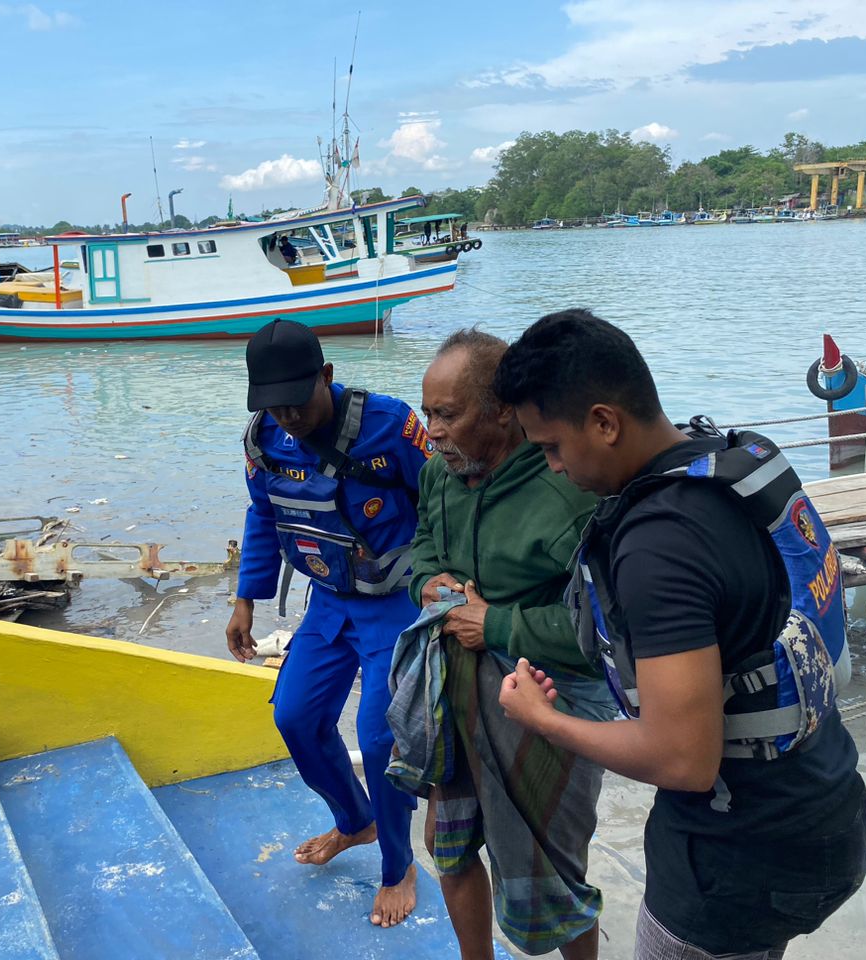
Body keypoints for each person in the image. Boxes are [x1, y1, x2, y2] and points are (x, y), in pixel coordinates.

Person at [493, 309, 866, 959]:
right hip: (829, 806)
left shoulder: (659, 548)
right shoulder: (731, 461)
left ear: (605, 422)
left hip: (733, 863)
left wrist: (544, 719)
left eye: (551, 446)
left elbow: (681, 760)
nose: (552, 467)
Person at [408, 328, 611, 960]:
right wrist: (429, 585)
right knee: (451, 842)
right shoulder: (441, 476)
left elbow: (606, 636)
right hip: (459, 690)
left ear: (502, 411)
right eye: (427, 413)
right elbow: (422, 551)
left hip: (555, 701)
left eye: (448, 414)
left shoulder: (566, 494)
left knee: (555, 871)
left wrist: (492, 624)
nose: (433, 431)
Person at [226, 319, 431, 928]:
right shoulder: (264, 439)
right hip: (328, 602)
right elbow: (263, 515)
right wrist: (246, 599)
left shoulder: (390, 425)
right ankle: (355, 822)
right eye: (273, 403)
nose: (287, 414)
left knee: (379, 739)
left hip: (397, 602)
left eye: (297, 398)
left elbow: (446, 502)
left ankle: (399, 866)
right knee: (294, 716)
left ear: (328, 376)